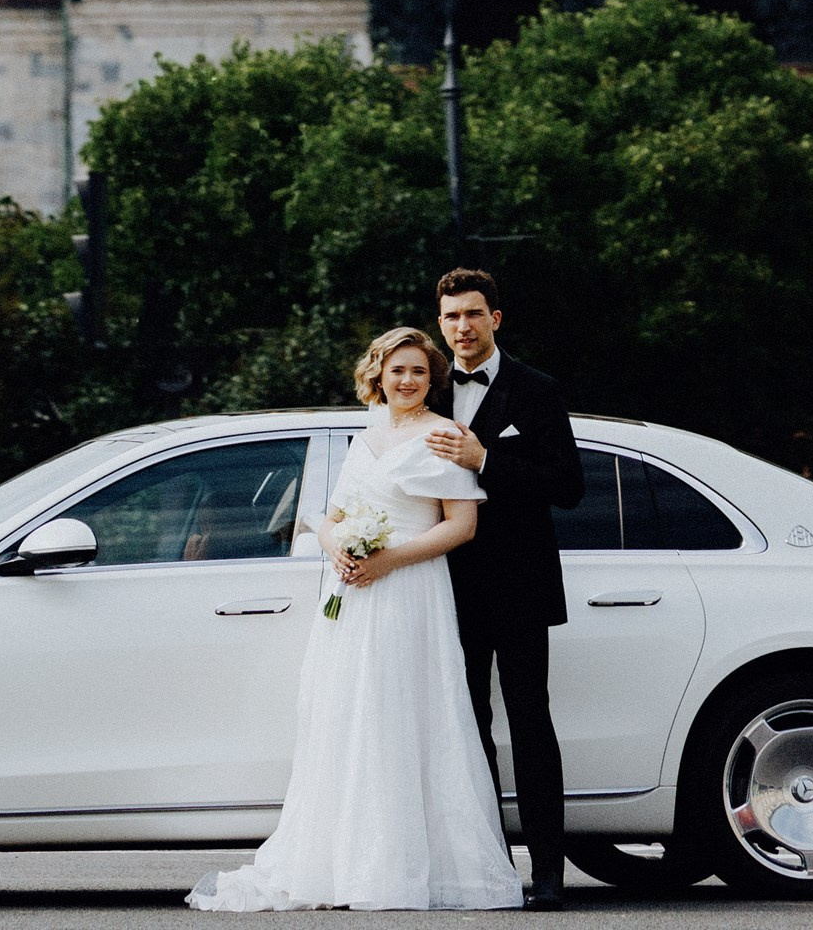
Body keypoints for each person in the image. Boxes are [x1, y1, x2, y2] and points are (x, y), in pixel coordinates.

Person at [188, 327, 523, 913]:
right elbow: (333, 516)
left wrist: (388, 559)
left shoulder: (444, 435)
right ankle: (346, 861)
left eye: (419, 371)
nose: (408, 381)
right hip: (354, 602)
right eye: (397, 370)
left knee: (406, 718)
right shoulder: (364, 436)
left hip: (411, 592)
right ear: (379, 374)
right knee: (350, 719)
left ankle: (407, 868)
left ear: (432, 378)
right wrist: (338, 547)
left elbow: (461, 525)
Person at [425, 267, 585, 913]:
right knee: (466, 729)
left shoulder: (536, 390)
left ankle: (549, 872)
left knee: (530, 724)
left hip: (520, 585)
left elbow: (567, 485)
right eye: (451, 317)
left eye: (472, 314)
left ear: (496, 318)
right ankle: (489, 866)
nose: (462, 327)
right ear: (440, 324)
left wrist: (486, 460)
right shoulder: (426, 389)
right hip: (446, 587)